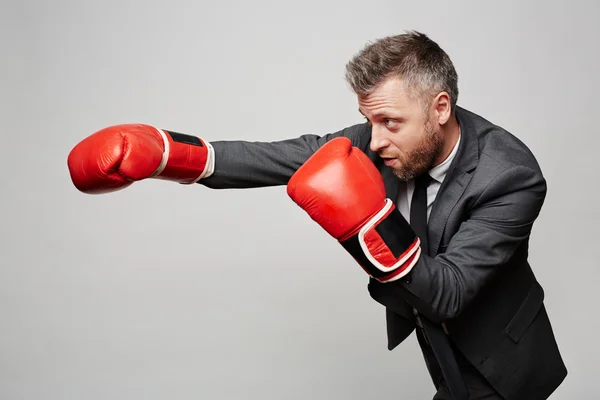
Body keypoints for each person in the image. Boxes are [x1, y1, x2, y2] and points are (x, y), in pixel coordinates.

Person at [67, 31, 567, 400]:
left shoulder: (511, 175)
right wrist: (171, 156)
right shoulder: (386, 138)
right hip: (437, 345)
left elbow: (450, 293)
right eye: (369, 119)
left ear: (440, 107)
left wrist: (369, 225)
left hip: (503, 360)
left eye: (389, 122)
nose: (372, 140)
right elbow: (293, 155)